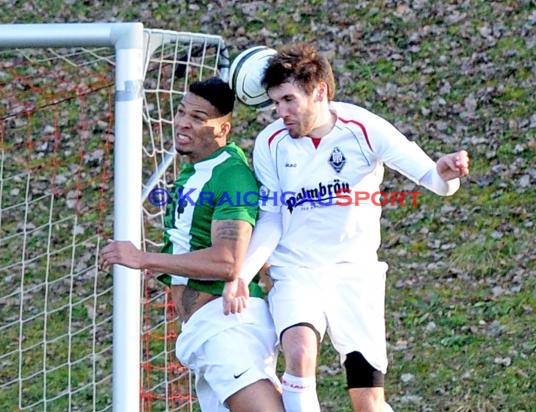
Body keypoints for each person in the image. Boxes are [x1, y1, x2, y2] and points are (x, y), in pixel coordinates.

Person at [223, 43, 470, 412]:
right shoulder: (271, 144)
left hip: (356, 275)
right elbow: (272, 217)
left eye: (289, 100)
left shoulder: (365, 129)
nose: (282, 112)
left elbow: (433, 178)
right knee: (301, 352)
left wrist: (448, 174)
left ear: (319, 91)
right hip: (297, 270)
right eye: (275, 103)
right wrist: (242, 273)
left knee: (367, 401)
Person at [100, 77, 284, 412]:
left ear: (223, 128)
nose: (184, 122)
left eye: (199, 118)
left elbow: (227, 262)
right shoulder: (193, 172)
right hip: (205, 328)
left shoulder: (230, 175)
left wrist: (142, 258)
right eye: (182, 112)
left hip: (228, 324)